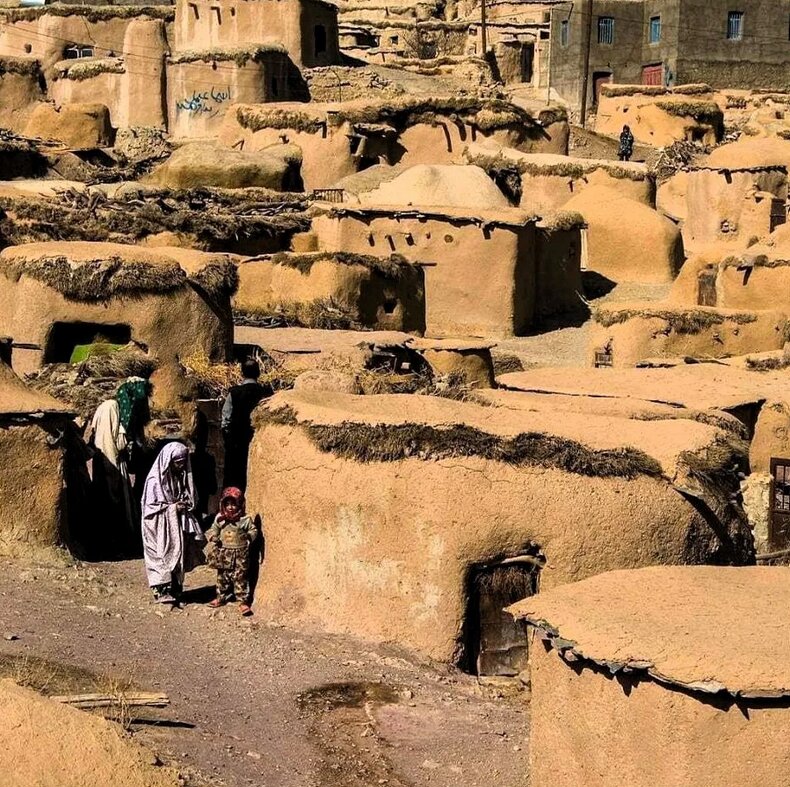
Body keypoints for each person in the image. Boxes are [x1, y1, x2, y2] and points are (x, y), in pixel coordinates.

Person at [141, 442, 205, 604]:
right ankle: (161, 592)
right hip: (157, 526)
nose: (181, 466)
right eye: (178, 463)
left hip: (174, 524)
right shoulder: (155, 481)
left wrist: (184, 503)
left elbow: (186, 495)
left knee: (177, 554)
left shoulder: (179, 476)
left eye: (183, 463)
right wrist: (173, 508)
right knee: (160, 556)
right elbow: (150, 508)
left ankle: (176, 590)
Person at [85, 397, 135, 557]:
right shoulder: (115, 427)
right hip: (115, 467)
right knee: (116, 505)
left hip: (103, 468)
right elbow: (120, 444)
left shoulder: (98, 437)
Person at [221, 359, 273, 490]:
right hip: (260, 443)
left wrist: (228, 439)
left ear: (242, 373)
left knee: (236, 479)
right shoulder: (266, 393)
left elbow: (226, 419)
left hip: (236, 444)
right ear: (259, 373)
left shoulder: (234, 393)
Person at [205, 487, 257, 615]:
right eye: (227, 504)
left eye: (234, 504)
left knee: (240, 577)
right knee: (222, 576)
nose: (230, 507)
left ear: (240, 504)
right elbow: (214, 529)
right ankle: (220, 597)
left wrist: (249, 537)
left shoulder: (245, 520)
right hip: (224, 553)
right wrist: (214, 537)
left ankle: (242, 601)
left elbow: (253, 530)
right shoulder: (220, 519)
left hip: (240, 554)